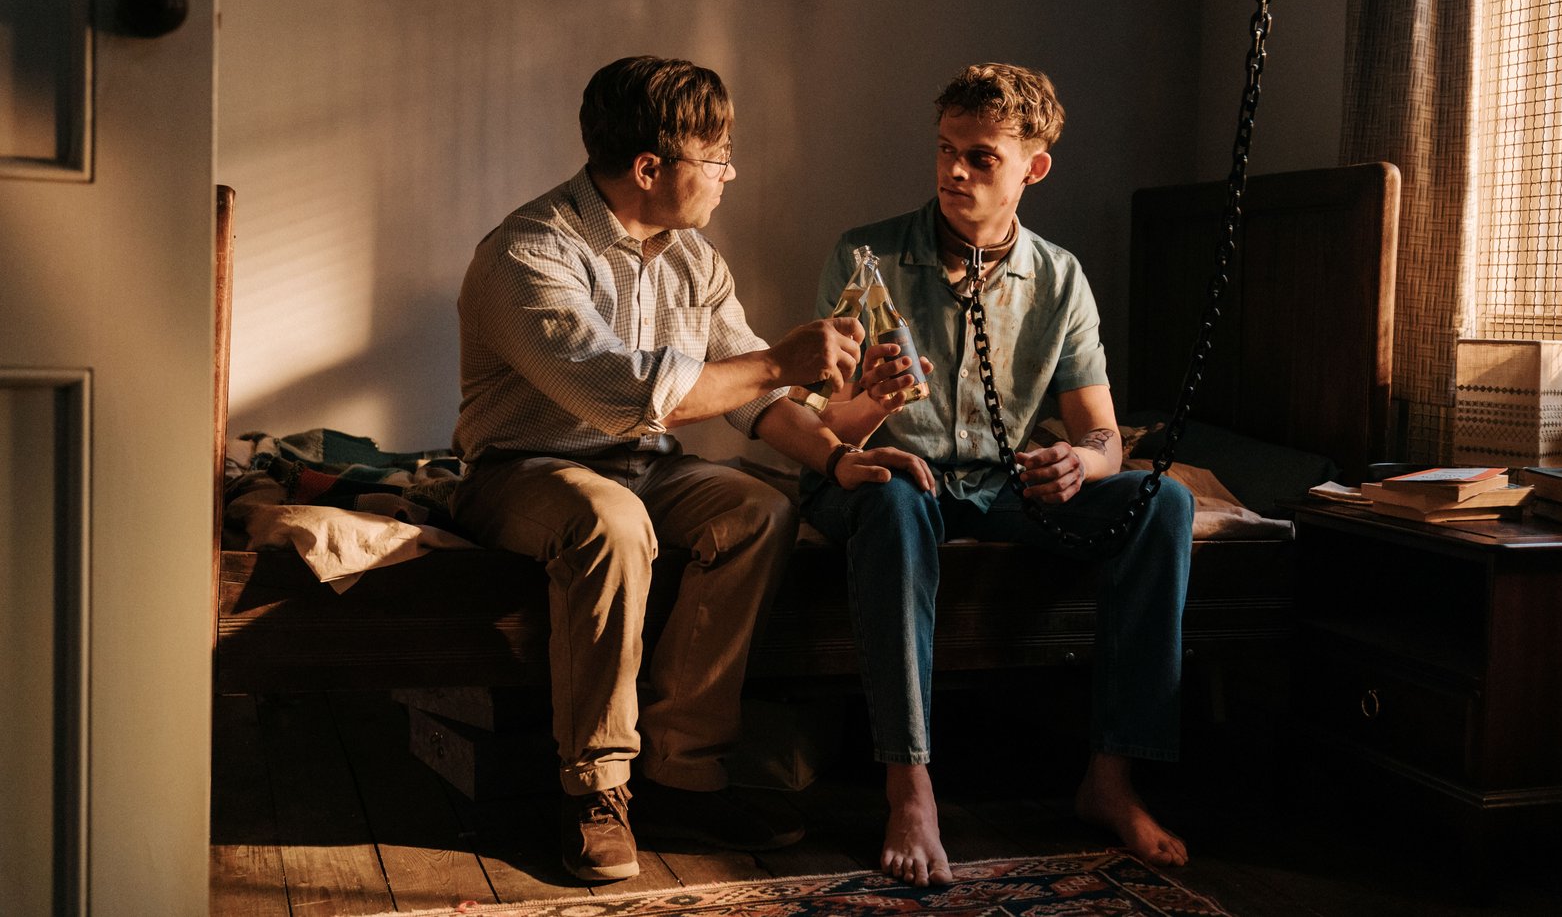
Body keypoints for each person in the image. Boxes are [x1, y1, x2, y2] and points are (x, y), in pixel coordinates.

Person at [449, 55, 933, 884]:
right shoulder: (527, 252)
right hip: (521, 469)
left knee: (757, 511)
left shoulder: (696, 261)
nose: (728, 174)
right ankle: (595, 789)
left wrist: (838, 456)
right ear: (649, 168)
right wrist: (780, 360)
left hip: (645, 465)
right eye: (716, 157)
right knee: (610, 520)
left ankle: (681, 771)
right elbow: (619, 393)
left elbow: (751, 391)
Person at [799, 62, 1195, 886]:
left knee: (1164, 503)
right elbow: (820, 428)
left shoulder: (1059, 278)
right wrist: (874, 405)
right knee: (894, 500)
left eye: (980, 157)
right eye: (946, 149)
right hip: (883, 476)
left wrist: (1080, 462)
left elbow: (1103, 435)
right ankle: (910, 785)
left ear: (1032, 168)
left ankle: (1111, 777)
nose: (954, 171)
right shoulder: (867, 257)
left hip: (999, 484)